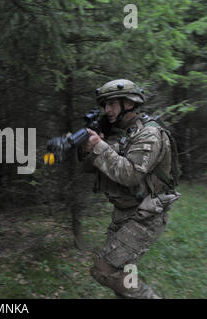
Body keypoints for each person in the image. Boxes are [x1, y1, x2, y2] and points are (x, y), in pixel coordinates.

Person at [82, 79, 181, 299]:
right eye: (104, 105)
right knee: (121, 274)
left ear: (129, 103)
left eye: (112, 104)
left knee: (103, 269)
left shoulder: (149, 134)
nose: (107, 110)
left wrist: (99, 147)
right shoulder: (119, 132)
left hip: (146, 214)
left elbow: (131, 174)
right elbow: (92, 168)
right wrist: (90, 148)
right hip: (124, 212)